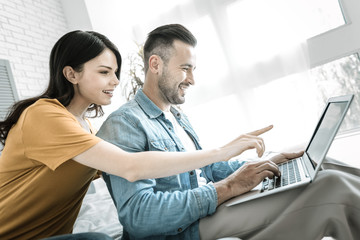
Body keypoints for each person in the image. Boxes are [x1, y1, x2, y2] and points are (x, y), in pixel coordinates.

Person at [0, 30, 275, 240]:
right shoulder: (44, 116)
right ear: (72, 74)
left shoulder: (87, 129)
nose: (116, 81)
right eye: (104, 72)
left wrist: (254, 166)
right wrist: (224, 151)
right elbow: (131, 167)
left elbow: (144, 166)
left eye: (116, 72)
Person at [97, 24, 360, 240]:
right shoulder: (125, 124)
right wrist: (230, 187)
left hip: (213, 205)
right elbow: (139, 217)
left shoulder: (177, 117)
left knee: (323, 164)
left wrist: (262, 164)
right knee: (332, 187)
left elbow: (207, 172)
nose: (192, 79)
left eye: (193, 69)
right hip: (186, 230)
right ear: (155, 65)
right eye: (185, 68)